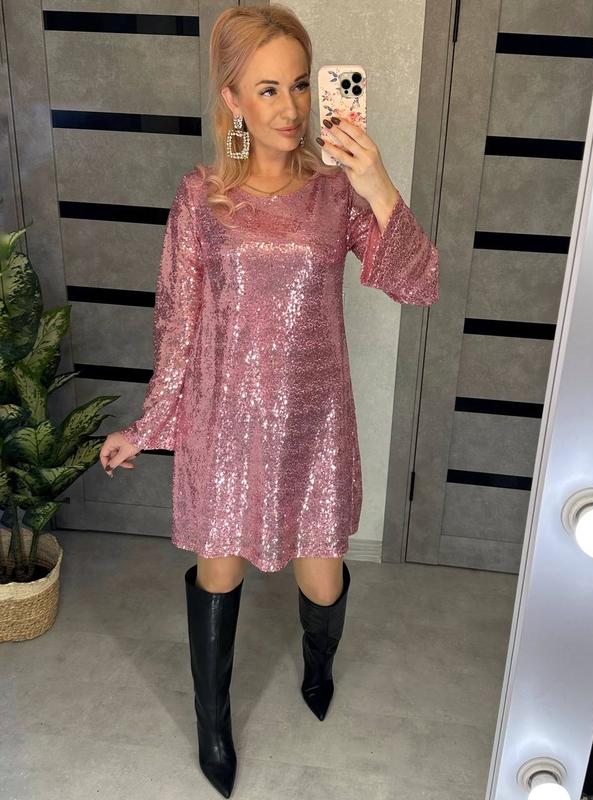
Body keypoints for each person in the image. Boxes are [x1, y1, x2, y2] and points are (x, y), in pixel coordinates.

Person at [99, 4, 439, 797]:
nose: (290, 109)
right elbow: (178, 322)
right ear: (233, 100)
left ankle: (319, 661)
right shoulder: (202, 198)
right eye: (267, 90)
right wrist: (148, 426)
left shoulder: (336, 192)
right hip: (224, 427)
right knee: (218, 576)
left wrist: (376, 183)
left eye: (300, 85)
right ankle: (213, 723)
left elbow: (417, 282)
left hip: (315, 429)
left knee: (321, 584)